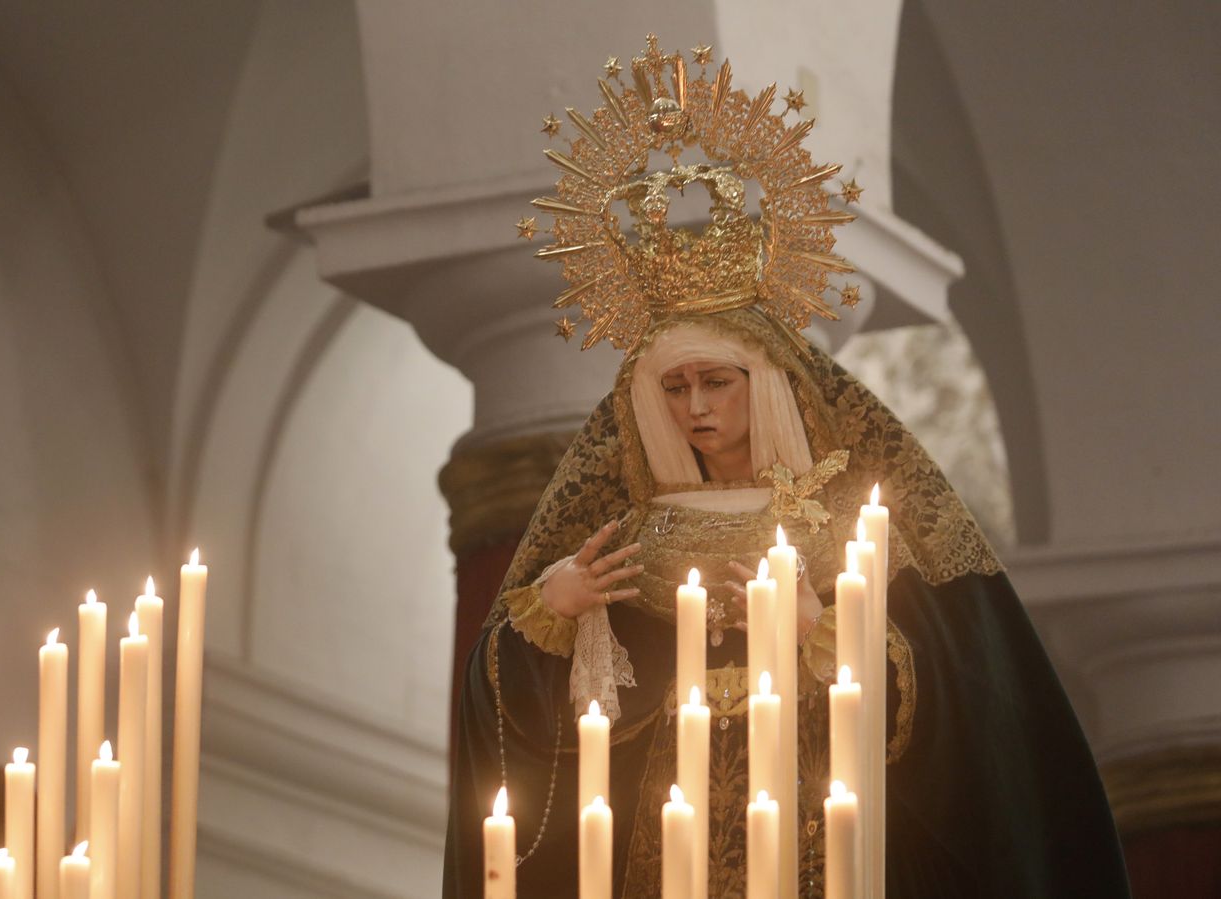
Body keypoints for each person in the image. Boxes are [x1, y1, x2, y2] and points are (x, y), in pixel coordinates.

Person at [443, 37, 1129, 899]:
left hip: (823, 840)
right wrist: (552, 610)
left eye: (717, 382)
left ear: (764, 385)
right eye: (675, 387)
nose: (696, 407)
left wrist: (822, 627)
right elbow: (517, 731)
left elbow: (974, 712)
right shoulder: (620, 531)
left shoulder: (856, 519)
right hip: (660, 846)